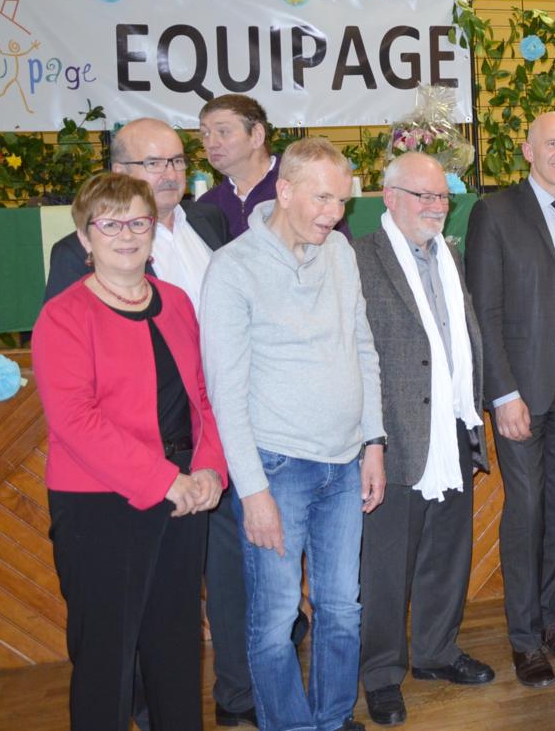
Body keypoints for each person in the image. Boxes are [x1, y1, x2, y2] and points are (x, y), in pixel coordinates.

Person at [201, 137, 385, 731]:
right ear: (284, 191)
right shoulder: (233, 268)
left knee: (342, 610)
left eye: (342, 200)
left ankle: (331, 721)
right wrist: (251, 491)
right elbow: (225, 393)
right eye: (323, 198)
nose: (334, 213)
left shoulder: (339, 253)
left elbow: (363, 349)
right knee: (275, 619)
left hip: (345, 463)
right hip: (277, 470)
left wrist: (374, 442)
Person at [33, 172, 227, 731]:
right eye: (110, 224)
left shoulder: (177, 302)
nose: (126, 235)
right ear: (85, 238)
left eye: (138, 222)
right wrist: (167, 480)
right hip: (101, 506)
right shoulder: (64, 315)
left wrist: (210, 469)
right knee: (107, 659)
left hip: (185, 498)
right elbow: (75, 421)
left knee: (176, 647)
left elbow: (203, 395)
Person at [354, 153, 494, 726]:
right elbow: (358, 354)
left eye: (443, 198)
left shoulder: (447, 253)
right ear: (389, 197)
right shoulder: (361, 257)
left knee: (446, 552)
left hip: (453, 428)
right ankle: (382, 674)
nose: (437, 208)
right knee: (385, 565)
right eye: (424, 197)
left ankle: (435, 653)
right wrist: (373, 440)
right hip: (396, 436)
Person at [464, 111, 555, 688]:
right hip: (522, 391)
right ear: (526, 149)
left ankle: (549, 619)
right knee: (524, 513)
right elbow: (484, 313)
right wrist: (503, 393)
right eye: (552, 144)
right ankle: (523, 639)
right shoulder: (494, 212)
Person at [44, 118, 229, 303]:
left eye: (177, 161)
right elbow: (65, 326)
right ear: (120, 172)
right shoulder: (79, 251)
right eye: (154, 164)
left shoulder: (211, 219)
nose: (171, 175)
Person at [199, 93, 349, 238]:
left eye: (223, 131)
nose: (211, 143)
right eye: (205, 133)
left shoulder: (303, 183)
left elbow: (339, 255)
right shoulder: (207, 206)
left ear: (257, 135)